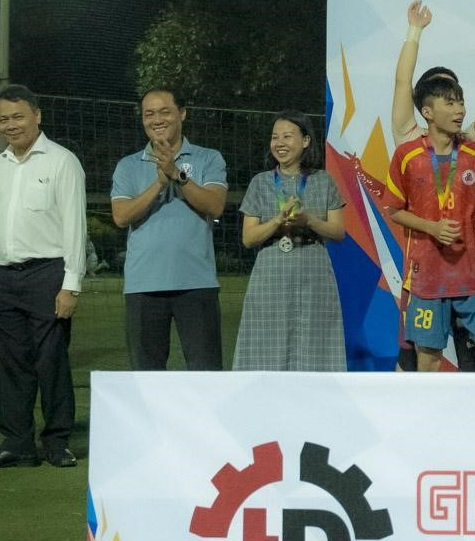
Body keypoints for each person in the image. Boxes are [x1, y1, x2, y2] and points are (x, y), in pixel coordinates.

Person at [382, 24, 475, 371]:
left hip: (472, 275)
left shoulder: (474, 147)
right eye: (449, 101)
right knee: (421, 360)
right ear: (426, 109)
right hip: (424, 276)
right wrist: (414, 31)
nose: (459, 108)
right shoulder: (408, 144)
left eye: (460, 100)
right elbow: (402, 83)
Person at [0, 85, 88, 469]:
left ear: (37, 116)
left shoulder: (62, 162)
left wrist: (71, 285)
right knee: (11, 364)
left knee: (51, 361)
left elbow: (75, 227)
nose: (10, 125)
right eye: (3, 119)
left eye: (17, 116)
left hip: (47, 276)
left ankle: (57, 442)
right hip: (4, 279)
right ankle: (17, 444)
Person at [109, 88, 228, 370]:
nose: (156, 119)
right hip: (143, 285)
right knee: (146, 377)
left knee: (206, 374)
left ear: (182, 113)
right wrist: (159, 184)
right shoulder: (128, 165)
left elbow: (215, 206)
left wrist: (177, 174)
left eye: (165, 112)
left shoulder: (208, 158)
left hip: (196, 283)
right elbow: (121, 217)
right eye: (149, 114)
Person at [232, 112, 347, 370]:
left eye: (287, 136)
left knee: (315, 341)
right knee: (266, 342)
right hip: (271, 273)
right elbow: (248, 238)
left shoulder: (324, 181)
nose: (279, 143)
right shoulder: (260, 183)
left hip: (314, 273)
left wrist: (309, 221)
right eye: (275, 137)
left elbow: (338, 232)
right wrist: (276, 221)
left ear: (305, 141)